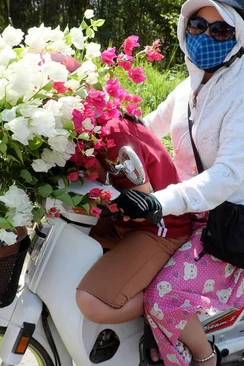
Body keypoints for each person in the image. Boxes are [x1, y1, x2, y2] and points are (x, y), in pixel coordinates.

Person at [115, 0, 244, 366]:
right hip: (181, 210)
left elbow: (228, 174)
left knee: (162, 296)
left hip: (221, 222)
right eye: (197, 25)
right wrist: (109, 130)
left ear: (239, 38)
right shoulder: (188, 87)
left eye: (220, 29)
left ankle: (202, 357)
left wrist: (161, 200)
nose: (204, 36)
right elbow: (151, 126)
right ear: (185, 28)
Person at [75, 114, 193, 324]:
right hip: (122, 224)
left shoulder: (112, 135)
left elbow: (140, 209)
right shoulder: (81, 137)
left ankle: (165, 300)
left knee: (92, 302)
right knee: (69, 236)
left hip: (160, 227)